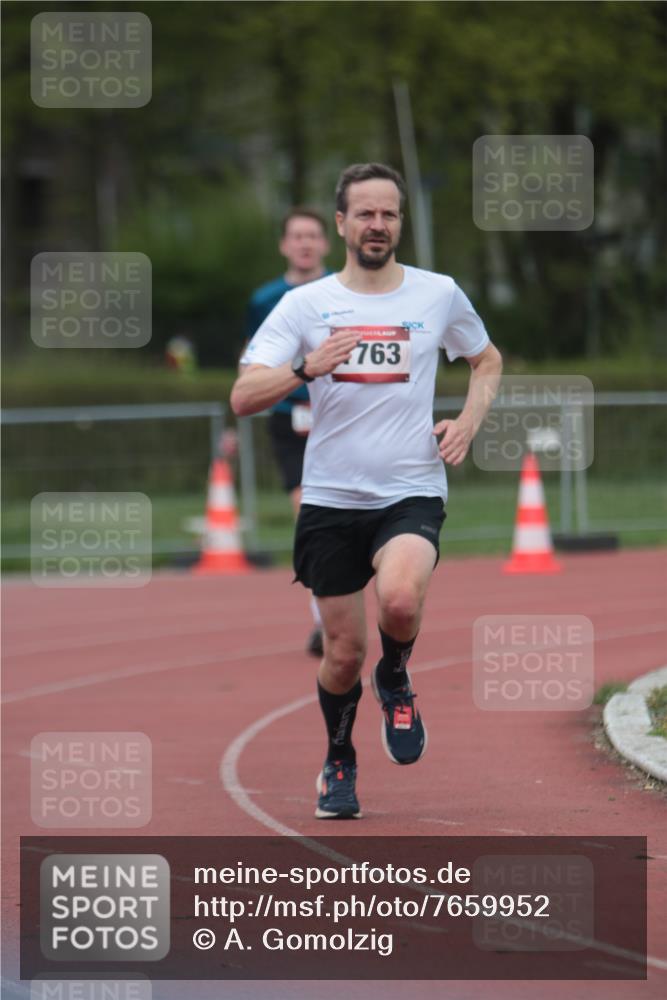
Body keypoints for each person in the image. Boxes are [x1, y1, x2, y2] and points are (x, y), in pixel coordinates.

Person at [232, 163, 503, 819]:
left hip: (409, 488)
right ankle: (338, 760)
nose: (377, 224)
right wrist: (305, 366)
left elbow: (485, 359)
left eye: (388, 214)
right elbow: (243, 396)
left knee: (402, 600)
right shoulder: (303, 305)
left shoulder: (436, 294)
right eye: (365, 214)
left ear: (398, 223)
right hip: (330, 501)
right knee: (342, 653)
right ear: (341, 224)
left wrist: (466, 422)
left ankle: (398, 673)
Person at [245, 208, 330, 656]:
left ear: (326, 242)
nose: (304, 244)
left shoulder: (344, 289)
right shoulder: (265, 298)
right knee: (308, 511)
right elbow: (251, 362)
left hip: (340, 415)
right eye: (296, 236)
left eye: (312, 236)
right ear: (284, 245)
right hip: (289, 416)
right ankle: (323, 621)